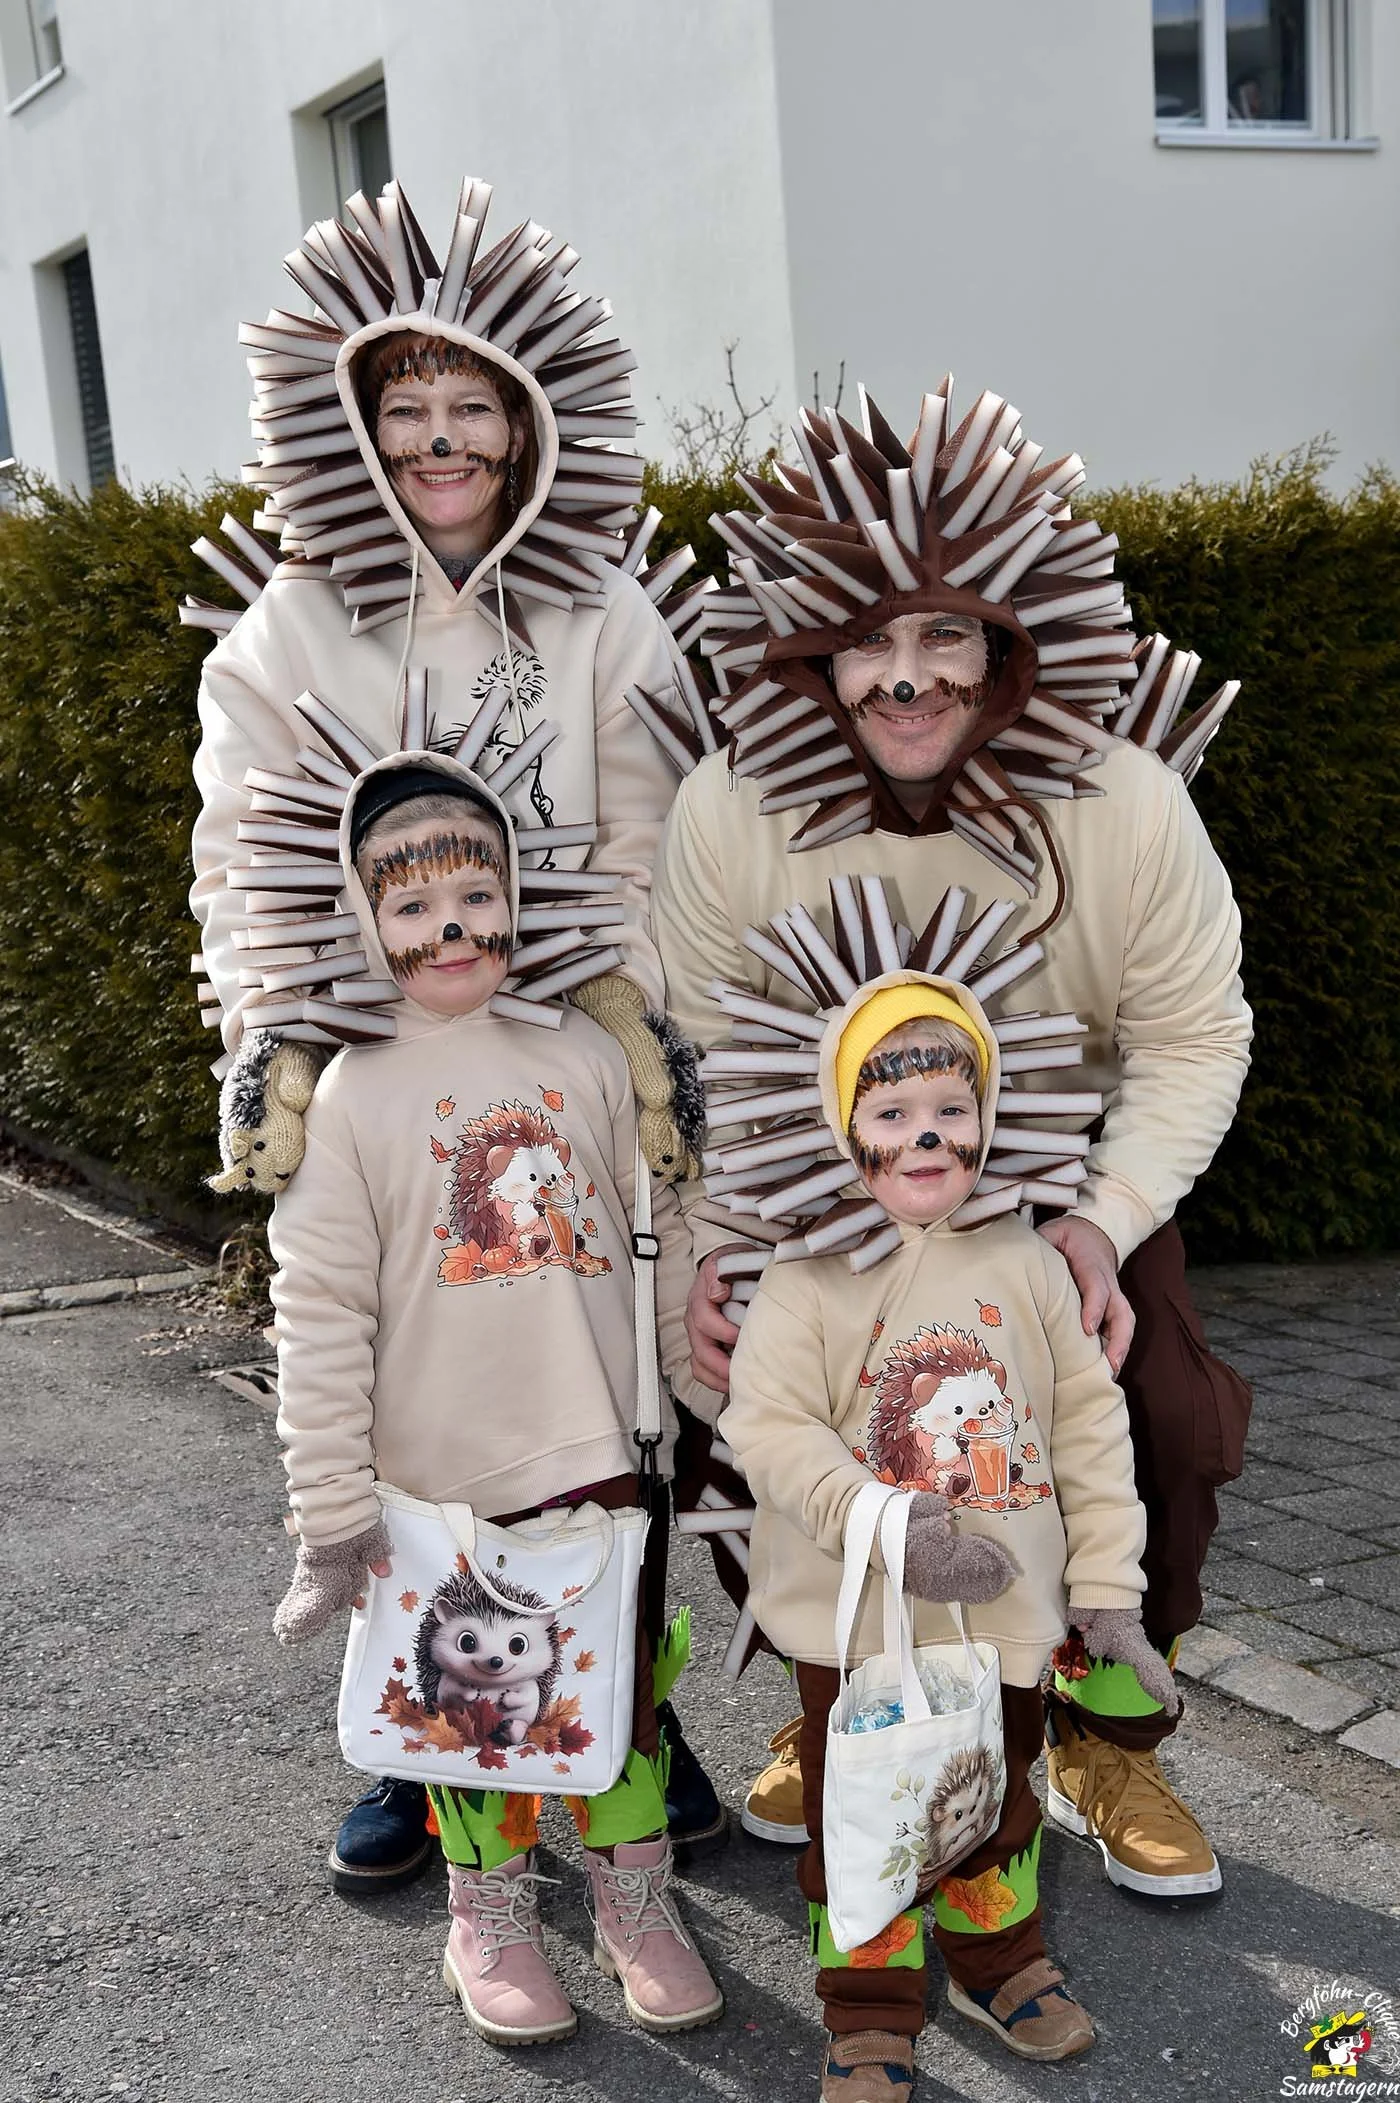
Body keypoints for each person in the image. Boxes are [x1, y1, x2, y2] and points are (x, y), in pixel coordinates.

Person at [187, 175, 721, 1886]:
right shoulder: (284, 629)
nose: (440, 440)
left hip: (570, 1064)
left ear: (528, 421)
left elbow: (654, 845)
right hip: (379, 1072)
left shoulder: (610, 615)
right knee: (405, 1406)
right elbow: (236, 847)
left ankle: (626, 1707)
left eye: (472, 406)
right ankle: (424, 1737)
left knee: (608, 1405)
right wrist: (271, 1030)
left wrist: (649, 1037)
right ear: (350, 428)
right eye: (402, 408)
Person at [651, 381, 1252, 1891]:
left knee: (1165, 1410)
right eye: (867, 636)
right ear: (810, 645)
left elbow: (1195, 1032)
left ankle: (1102, 1722)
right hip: (815, 1194)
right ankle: (841, 1690)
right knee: (745, 1392)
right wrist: (718, 1244)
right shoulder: (735, 806)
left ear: (1009, 639)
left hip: (1052, 1192)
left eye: (946, 632)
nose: (905, 675)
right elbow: (700, 1043)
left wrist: (1106, 1220)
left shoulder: (1120, 803)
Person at [266, 744, 723, 2044]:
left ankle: (636, 1897)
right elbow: (318, 1315)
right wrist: (332, 1509)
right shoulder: (350, 1095)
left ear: (519, 896)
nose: (448, 926)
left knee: (616, 1691)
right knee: (475, 1712)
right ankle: (494, 1909)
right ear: (361, 919)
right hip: (440, 1481)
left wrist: (710, 1394)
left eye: (473, 892)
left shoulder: (583, 1052)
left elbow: (659, 1242)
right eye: (407, 904)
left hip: (599, 1456)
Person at [721, 946, 1170, 2090]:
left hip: (1005, 1621)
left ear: (986, 1120)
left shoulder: (1023, 1261)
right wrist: (884, 1517)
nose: (925, 1136)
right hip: (853, 1628)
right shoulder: (805, 1278)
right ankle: (867, 2001)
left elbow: (1083, 1427)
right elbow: (768, 1432)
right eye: (892, 1109)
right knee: (861, 1817)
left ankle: (994, 1952)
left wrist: (1109, 1589)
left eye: (948, 1108)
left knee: (994, 1801)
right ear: (841, 1125)